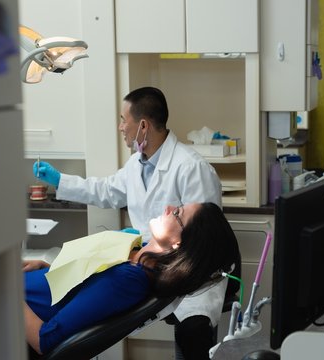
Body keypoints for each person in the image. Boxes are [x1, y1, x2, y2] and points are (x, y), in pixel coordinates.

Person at [33, 87, 230, 359]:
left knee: (191, 337)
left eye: (123, 119)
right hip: (145, 263)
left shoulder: (191, 168)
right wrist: (60, 181)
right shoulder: (138, 162)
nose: (120, 127)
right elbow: (107, 190)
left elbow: (202, 240)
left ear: (143, 125)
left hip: (180, 280)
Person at [24, 202, 240, 355]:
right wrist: (52, 270)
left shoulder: (128, 280)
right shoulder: (135, 251)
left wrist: (5, 287)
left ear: (179, 244)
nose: (169, 207)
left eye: (178, 213)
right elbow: (86, 285)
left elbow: (44, 340)